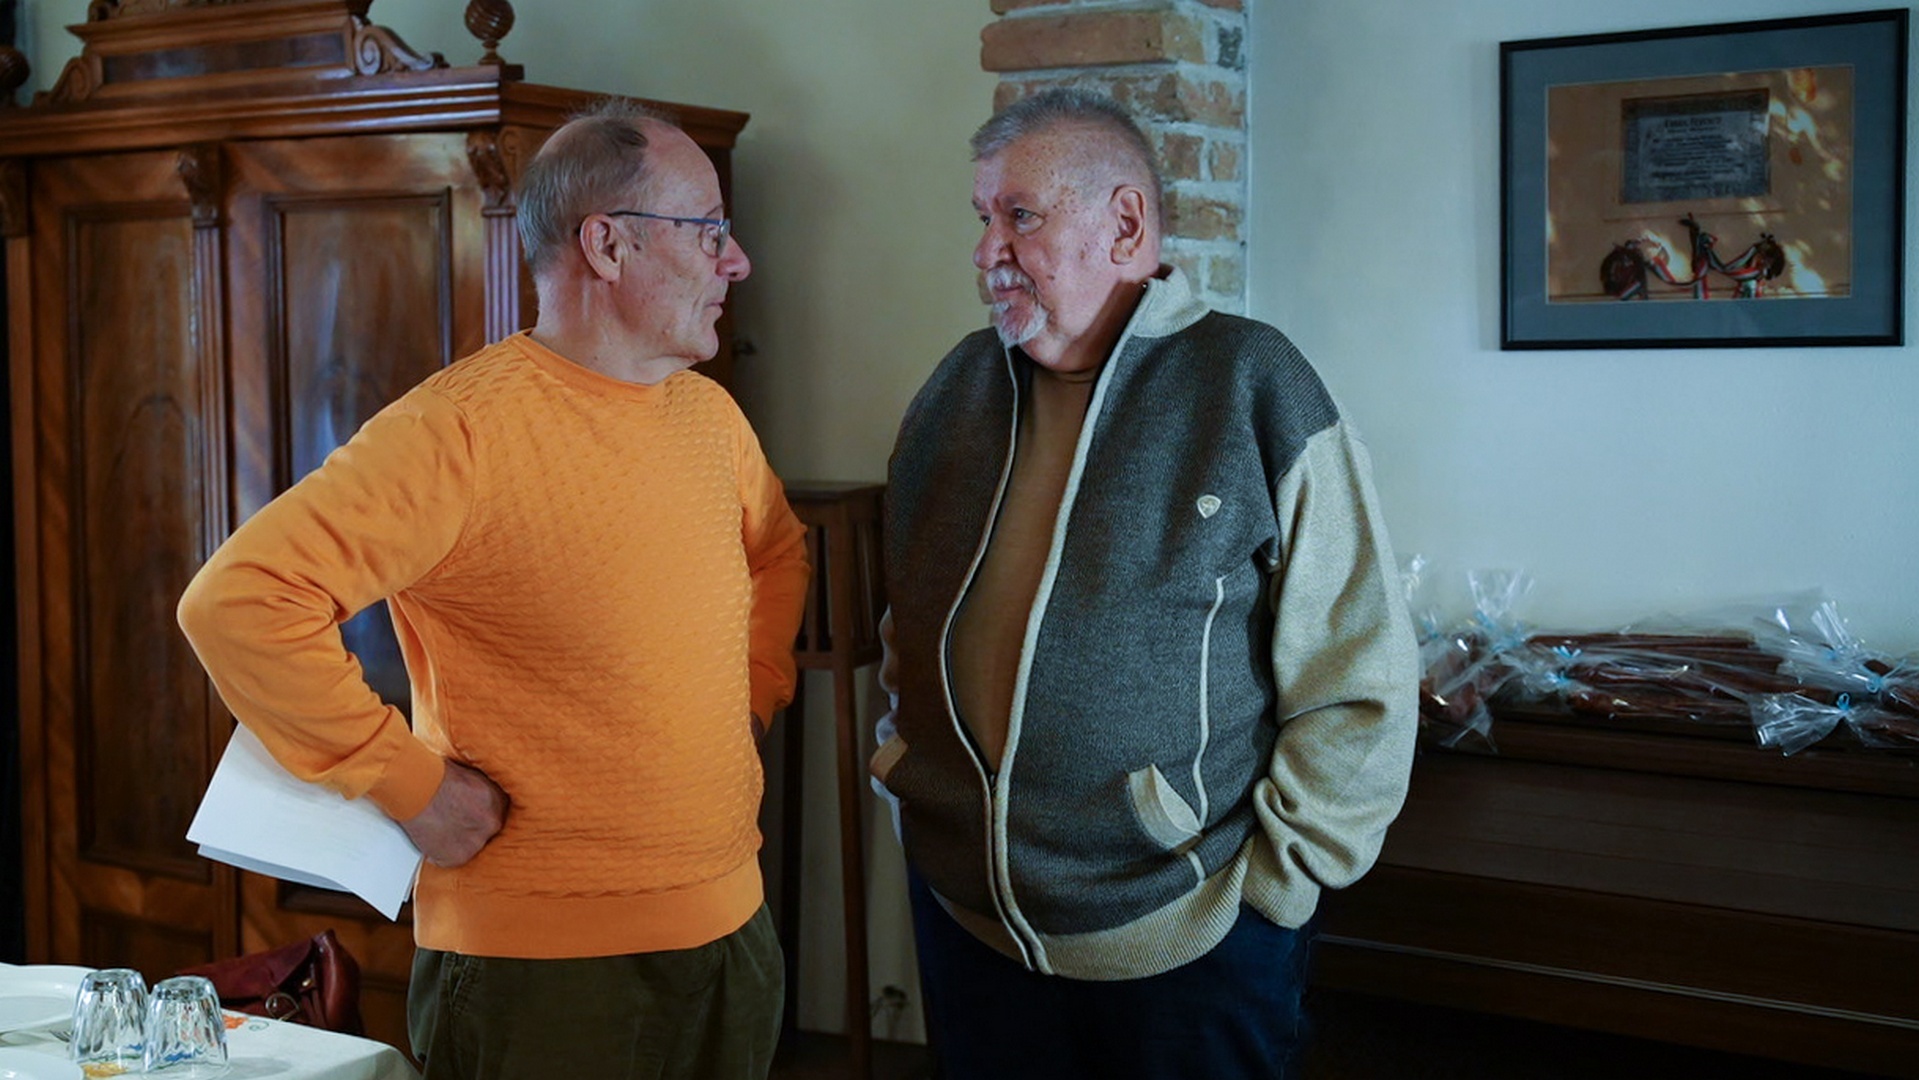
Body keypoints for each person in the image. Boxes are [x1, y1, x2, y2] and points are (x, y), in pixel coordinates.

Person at [177, 100, 810, 1080]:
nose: (737, 262)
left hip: (731, 934)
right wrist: (408, 784)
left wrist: (751, 695)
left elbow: (778, 552)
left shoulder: (711, 419)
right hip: (538, 975)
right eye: (709, 231)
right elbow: (239, 601)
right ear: (608, 245)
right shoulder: (456, 432)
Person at [871, 88, 1419, 1078]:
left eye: (1019, 216)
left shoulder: (1250, 381)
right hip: (965, 917)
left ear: (1124, 224)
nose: (986, 250)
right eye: (982, 218)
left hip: (1188, 934)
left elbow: (1357, 665)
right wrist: (905, 768)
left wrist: (1279, 887)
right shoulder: (953, 390)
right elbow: (905, 625)